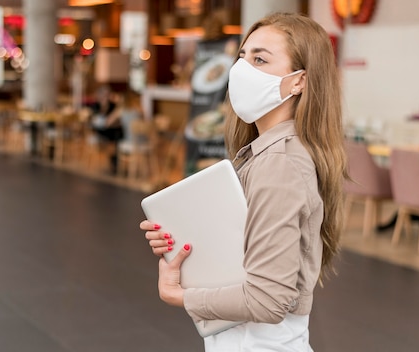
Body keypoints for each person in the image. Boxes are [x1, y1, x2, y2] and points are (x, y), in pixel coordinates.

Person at [140, 12, 347, 351]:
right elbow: (248, 257)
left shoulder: (279, 163)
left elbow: (268, 299)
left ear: (299, 81)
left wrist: (180, 295)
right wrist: (186, 243)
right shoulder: (266, 154)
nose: (241, 70)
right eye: (242, 57)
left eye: (260, 59)